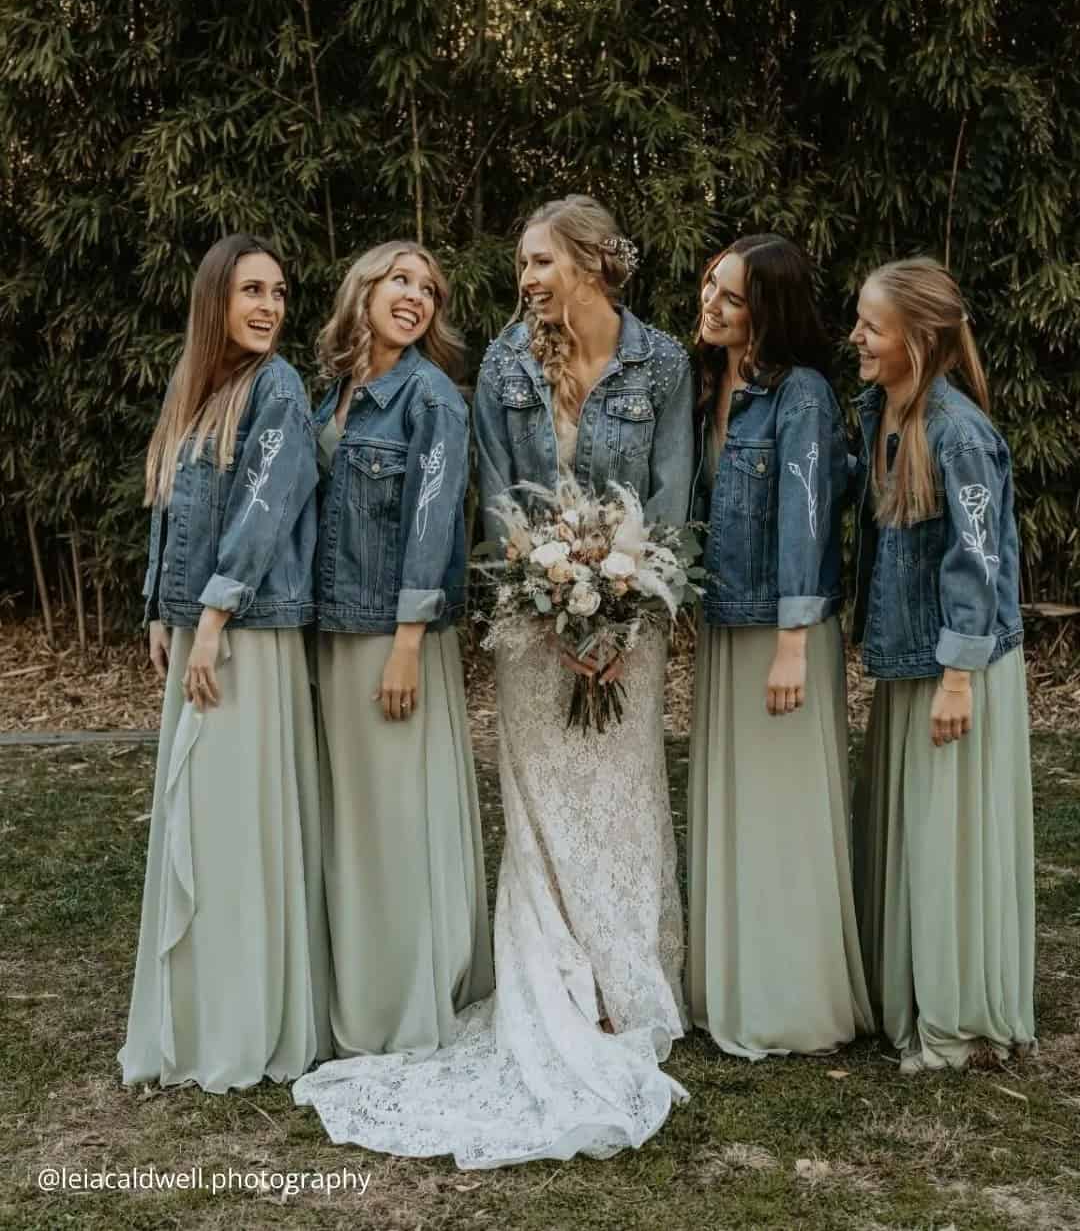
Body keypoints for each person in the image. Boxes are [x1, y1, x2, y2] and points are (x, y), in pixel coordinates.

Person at [295, 195, 694, 1167]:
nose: (526, 280)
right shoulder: (507, 366)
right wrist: (555, 604)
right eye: (522, 264)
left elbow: (676, 497)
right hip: (532, 620)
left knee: (625, 799)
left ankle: (623, 985)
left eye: (540, 262)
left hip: (633, 622)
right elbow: (501, 502)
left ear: (594, 262)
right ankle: (553, 980)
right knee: (544, 806)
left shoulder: (664, 364)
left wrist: (629, 605)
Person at [120, 233, 330, 1092]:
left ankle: (246, 1019)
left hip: (246, 630)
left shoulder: (278, 388)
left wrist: (211, 616)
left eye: (278, 293)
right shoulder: (199, 388)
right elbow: (170, 508)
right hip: (201, 626)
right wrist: (160, 608)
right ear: (217, 300)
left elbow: (265, 512)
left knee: (236, 827)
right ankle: (200, 1010)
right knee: (200, 822)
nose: (269, 308)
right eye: (252, 291)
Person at [685, 234, 872, 1059]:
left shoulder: (802, 396)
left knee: (783, 810)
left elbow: (806, 519)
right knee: (734, 804)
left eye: (730, 297)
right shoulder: (707, 383)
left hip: (781, 629)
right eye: (708, 288)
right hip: (729, 623)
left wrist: (794, 641)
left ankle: (792, 998)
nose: (711, 306)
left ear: (769, 309)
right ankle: (730, 981)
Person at [306, 240, 492, 1058]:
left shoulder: (432, 400)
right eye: (401, 280)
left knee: (396, 821)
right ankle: (358, 981)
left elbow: (433, 521)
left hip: (392, 635)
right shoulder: (332, 393)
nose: (416, 296)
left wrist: (409, 642)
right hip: (332, 629)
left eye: (430, 289)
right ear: (364, 288)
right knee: (353, 820)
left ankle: (403, 998)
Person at [850, 256, 1035, 1072]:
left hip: (956, 666)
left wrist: (959, 675)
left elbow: (980, 559)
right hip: (909, 657)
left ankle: (958, 1016)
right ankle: (908, 994)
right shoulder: (878, 412)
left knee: (947, 836)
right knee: (909, 832)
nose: (856, 336)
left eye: (872, 326)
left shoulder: (958, 433)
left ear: (918, 340)